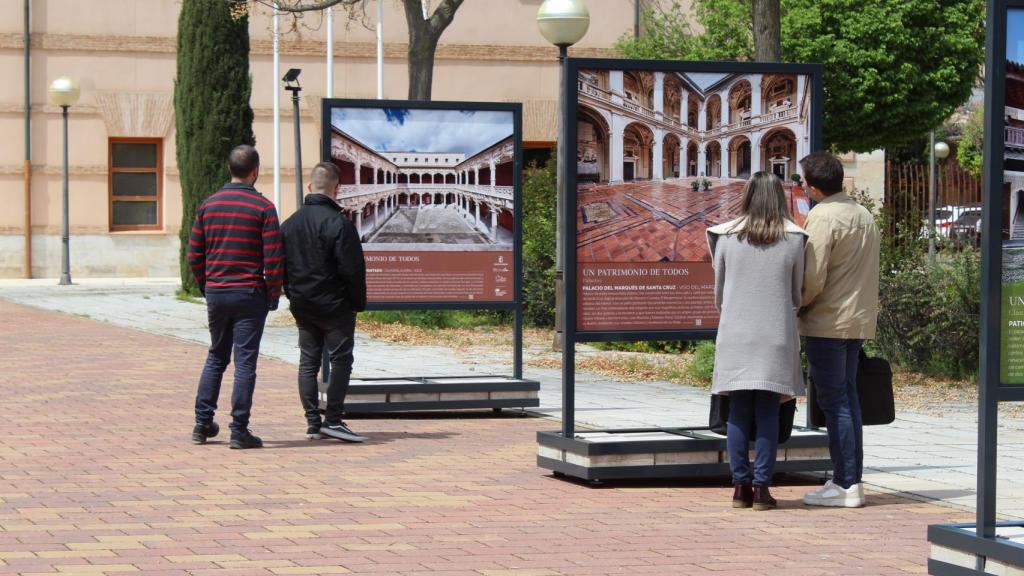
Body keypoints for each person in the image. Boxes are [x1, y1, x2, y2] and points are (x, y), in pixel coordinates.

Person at [706, 171, 807, 511]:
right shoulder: (794, 239)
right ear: (779, 197)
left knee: (737, 412)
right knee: (768, 412)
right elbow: (796, 294)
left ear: (747, 196)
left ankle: (740, 487)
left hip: (736, 333)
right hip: (775, 334)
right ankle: (762, 487)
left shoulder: (725, 237)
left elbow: (719, 294)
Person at [798, 152, 880, 508]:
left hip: (828, 321)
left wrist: (796, 305)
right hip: (857, 319)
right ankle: (852, 480)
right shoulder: (863, 214)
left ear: (813, 187)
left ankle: (845, 483)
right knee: (848, 400)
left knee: (836, 404)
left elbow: (812, 278)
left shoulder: (822, 217)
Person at [188, 144, 283, 449]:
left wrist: (207, 285)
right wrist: (273, 293)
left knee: (216, 355)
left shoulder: (208, 205)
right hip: (249, 293)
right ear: (255, 171)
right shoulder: (264, 208)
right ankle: (238, 430)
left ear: (230, 169)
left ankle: (202, 424)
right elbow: (273, 258)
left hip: (217, 292)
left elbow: (194, 254)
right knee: (245, 362)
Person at [281, 162, 368, 443]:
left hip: (303, 304)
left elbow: (282, 267)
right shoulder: (339, 224)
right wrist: (357, 303)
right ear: (337, 189)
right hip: (335, 306)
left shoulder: (290, 224)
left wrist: (293, 295)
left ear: (309, 187)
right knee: (341, 359)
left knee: (308, 361)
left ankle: (311, 422)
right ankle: (333, 420)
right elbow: (352, 270)